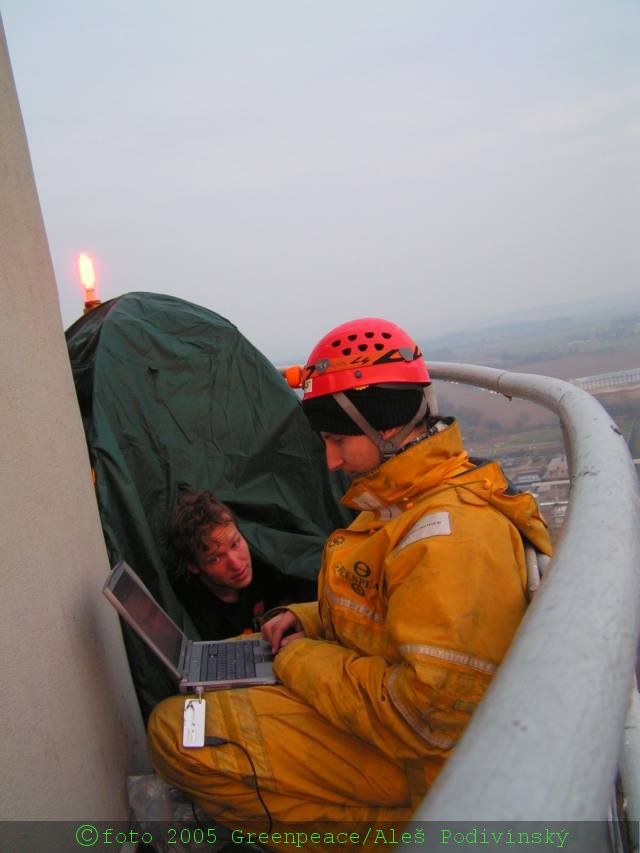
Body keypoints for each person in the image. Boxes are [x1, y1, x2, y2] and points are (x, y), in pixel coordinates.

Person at [148, 318, 552, 834]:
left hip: (417, 765)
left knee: (178, 730)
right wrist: (301, 620)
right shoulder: (400, 500)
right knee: (202, 701)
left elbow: (426, 719)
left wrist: (300, 658)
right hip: (373, 714)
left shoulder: (454, 539)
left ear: (382, 425)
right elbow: (381, 612)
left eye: (338, 439)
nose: (331, 460)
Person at [168, 488, 286, 638]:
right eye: (216, 558)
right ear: (193, 566)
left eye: (235, 543)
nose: (236, 564)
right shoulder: (190, 609)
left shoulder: (268, 565)